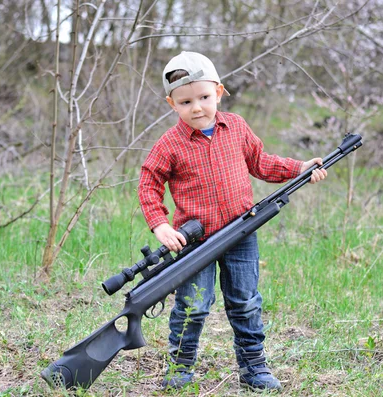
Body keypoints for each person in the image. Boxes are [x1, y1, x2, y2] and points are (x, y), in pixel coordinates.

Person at [137, 51, 327, 393]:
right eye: (186, 102)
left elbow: (261, 163)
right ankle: (180, 368)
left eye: (204, 97)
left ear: (219, 92)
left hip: (241, 233)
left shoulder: (236, 126)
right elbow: (149, 182)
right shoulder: (170, 144)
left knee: (245, 300)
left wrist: (299, 168)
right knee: (194, 305)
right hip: (195, 243)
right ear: (171, 104)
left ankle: (253, 367)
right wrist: (160, 225)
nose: (197, 107)